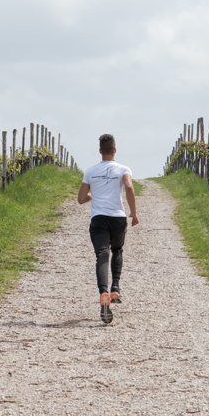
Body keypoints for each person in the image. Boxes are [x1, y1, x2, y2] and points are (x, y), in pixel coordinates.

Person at [77, 133, 139, 324]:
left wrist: (94, 195)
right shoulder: (123, 169)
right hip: (118, 218)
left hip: (98, 219)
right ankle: (115, 288)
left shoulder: (90, 171)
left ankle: (103, 294)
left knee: (102, 255)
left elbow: (80, 199)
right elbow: (128, 187)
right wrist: (134, 213)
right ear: (114, 150)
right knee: (117, 249)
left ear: (99, 151)